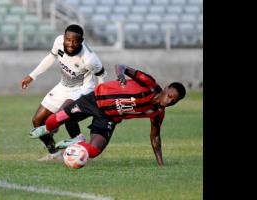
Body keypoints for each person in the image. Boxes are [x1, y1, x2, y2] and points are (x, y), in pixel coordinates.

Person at [29, 64, 186, 166]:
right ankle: (48, 128)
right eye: (170, 95)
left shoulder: (158, 113)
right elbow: (121, 66)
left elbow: (155, 136)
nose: (169, 101)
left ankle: (75, 147)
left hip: (108, 118)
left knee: (95, 150)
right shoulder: (149, 84)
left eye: (174, 101)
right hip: (94, 100)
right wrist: (121, 75)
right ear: (166, 88)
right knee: (56, 120)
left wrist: (160, 164)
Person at [21, 24, 107, 161]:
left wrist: (101, 97)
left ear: (82, 40)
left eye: (75, 41)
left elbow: (102, 74)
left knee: (64, 114)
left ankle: (76, 144)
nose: (71, 44)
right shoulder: (58, 42)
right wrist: (32, 76)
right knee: (37, 121)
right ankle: (54, 154)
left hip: (82, 89)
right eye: (68, 39)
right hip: (63, 87)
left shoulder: (89, 59)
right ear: (64, 37)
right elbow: (50, 57)